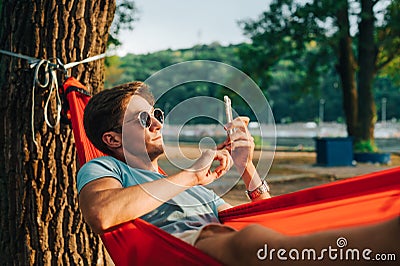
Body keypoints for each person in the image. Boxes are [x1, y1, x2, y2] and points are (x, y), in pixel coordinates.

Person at [78, 82, 399, 265]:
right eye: (144, 120)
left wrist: (245, 166)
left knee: (271, 238)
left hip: (229, 245)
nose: (158, 123)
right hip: (183, 253)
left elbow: (262, 220)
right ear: (113, 139)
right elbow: (102, 213)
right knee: (247, 243)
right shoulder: (106, 168)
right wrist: (190, 174)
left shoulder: (195, 188)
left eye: (156, 114)